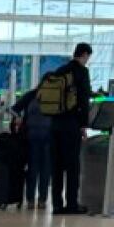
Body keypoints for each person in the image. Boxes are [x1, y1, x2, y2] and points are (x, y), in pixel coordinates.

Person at [50, 42, 93, 216]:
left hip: (55, 125)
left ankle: (57, 205)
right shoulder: (82, 72)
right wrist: (84, 125)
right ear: (83, 54)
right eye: (88, 57)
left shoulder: (60, 71)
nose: (87, 60)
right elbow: (84, 99)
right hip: (72, 125)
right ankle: (72, 204)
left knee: (57, 166)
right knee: (72, 166)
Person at [13, 81, 52, 210]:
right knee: (37, 169)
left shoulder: (32, 96)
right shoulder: (33, 96)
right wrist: (18, 117)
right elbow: (13, 109)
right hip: (35, 138)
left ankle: (37, 200)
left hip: (41, 137)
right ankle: (36, 200)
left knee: (40, 169)